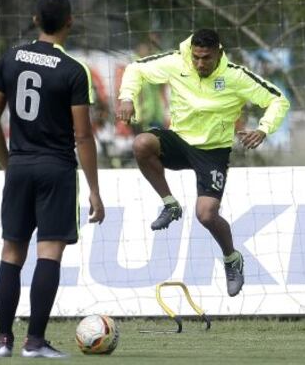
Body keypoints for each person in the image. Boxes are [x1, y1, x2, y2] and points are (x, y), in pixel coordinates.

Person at [117, 28, 289, 297]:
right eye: (196, 57)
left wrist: (264, 129)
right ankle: (170, 204)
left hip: (213, 151)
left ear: (218, 53)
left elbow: (278, 99)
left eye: (206, 58)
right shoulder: (178, 62)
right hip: (179, 140)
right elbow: (135, 68)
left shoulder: (236, 76)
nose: (199, 64)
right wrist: (127, 97)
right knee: (141, 144)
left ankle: (232, 259)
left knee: (206, 214)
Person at [0, 0, 104, 358]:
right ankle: (34, 341)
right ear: (70, 21)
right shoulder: (72, 70)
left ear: (35, 19)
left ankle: (2, 340)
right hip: (56, 169)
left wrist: (9, 164)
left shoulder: (11, 58)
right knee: (48, 254)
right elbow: (82, 134)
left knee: (11, 253)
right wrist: (95, 191)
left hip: (19, 166)